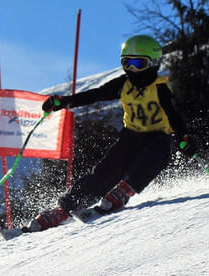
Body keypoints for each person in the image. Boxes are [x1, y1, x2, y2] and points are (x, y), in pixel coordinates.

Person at [25, 34, 197, 232]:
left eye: (138, 64)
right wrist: (64, 101)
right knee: (106, 170)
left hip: (158, 136)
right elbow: (95, 95)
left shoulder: (160, 88)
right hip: (131, 136)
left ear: (154, 63)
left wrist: (184, 137)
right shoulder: (124, 84)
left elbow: (173, 114)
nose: (132, 70)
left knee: (156, 155)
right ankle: (64, 208)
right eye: (127, 63)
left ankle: (124, 191)